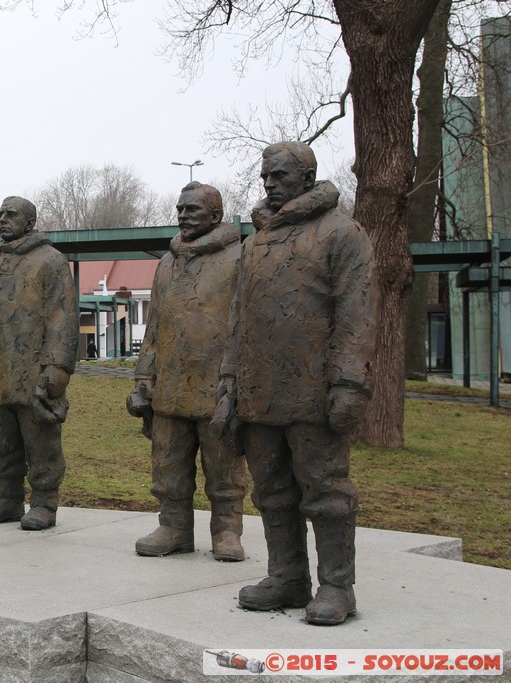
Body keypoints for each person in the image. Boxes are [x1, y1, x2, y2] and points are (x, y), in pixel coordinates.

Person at [213, 142, 378, 625]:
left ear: (307, 178)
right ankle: (287, 577)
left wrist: (350, 384)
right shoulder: (256, 242)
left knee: (326, 491)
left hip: (314, 393)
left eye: (280, 175)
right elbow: (238, 320)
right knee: (271, 490)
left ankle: (336, 586)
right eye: (266, 175)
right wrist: (228, 383)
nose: (269, 183)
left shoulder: (342, 234)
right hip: (259, 392)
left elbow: (358, 313)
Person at [127, 182, 247, 561]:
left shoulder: (239, 259)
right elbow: (154, 328)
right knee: (168, 464)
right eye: (180, 209)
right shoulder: (167, 263)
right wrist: (144, 380)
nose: (182, 215)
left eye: (192, 209)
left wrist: (239, 384)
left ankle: (227, 529)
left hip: (218, 385)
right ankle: (173, 526)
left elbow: (248, 325)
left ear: (215, 216)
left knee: (224, 466)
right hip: (170, 385)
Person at [0, 196, 78, 531]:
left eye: (11, 214)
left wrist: (56, 370)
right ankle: (8, 497)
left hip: (34, 372)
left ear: (30, 223)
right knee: (1, 440)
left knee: (41, 442)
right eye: (0, 213)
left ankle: (45, 502)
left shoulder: (51, 261)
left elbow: (63, 319)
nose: (2, 218)